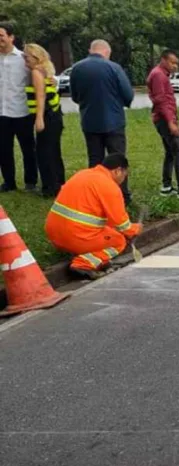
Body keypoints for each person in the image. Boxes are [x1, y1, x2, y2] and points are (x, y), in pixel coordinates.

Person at [44, 153, 142, 279]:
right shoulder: (110, 187)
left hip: (54, 234)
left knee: (109, 232)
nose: (124, 178)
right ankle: (82, 264)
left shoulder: (82, 174)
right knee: (118, 241)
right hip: (75, 237)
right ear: (118, 170)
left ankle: (95, 258)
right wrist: (136, 228)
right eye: (125, 174)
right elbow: (123, 226)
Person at [70, 40, 134, 205]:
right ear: (107, 51)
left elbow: (75, 96)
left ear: (91, 50)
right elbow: (128, 94)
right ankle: (122, 196)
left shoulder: (77, 68)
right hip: (114, 122)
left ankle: (96, 197)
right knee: (118, 160)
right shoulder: (114, 68)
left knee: (95, 160)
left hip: (90, 122)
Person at [147, 49, 179, 201]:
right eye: (172, 62)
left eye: (177, 63)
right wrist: (171, 123)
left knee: (170, 152)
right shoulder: (158, 75)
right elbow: (162, 101)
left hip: (163, 118)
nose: (175, 66)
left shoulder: (161, 74)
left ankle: (167, 186)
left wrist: (174, 121)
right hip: (164, 119)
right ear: (163, 60)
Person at [23, 43, 65, 198]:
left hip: (46, 115)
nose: (24, 60)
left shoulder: (36, 72)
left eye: (26, 57)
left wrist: (39, 119)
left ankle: (50, 187)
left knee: (44, 152)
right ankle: (59, 183)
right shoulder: (47, 70)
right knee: (54, 151)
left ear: (35, 57)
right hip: (55, 115)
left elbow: (40, 96)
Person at [0, 22, 38, 193]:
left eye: (1, 36)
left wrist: (54, 81)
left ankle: (30, 182)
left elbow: (43, 72)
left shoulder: (24, 59)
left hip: (23, 112)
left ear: (11, 37)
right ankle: (9, 183)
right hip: (2, 113)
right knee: (4, 150)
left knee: (28, 149)